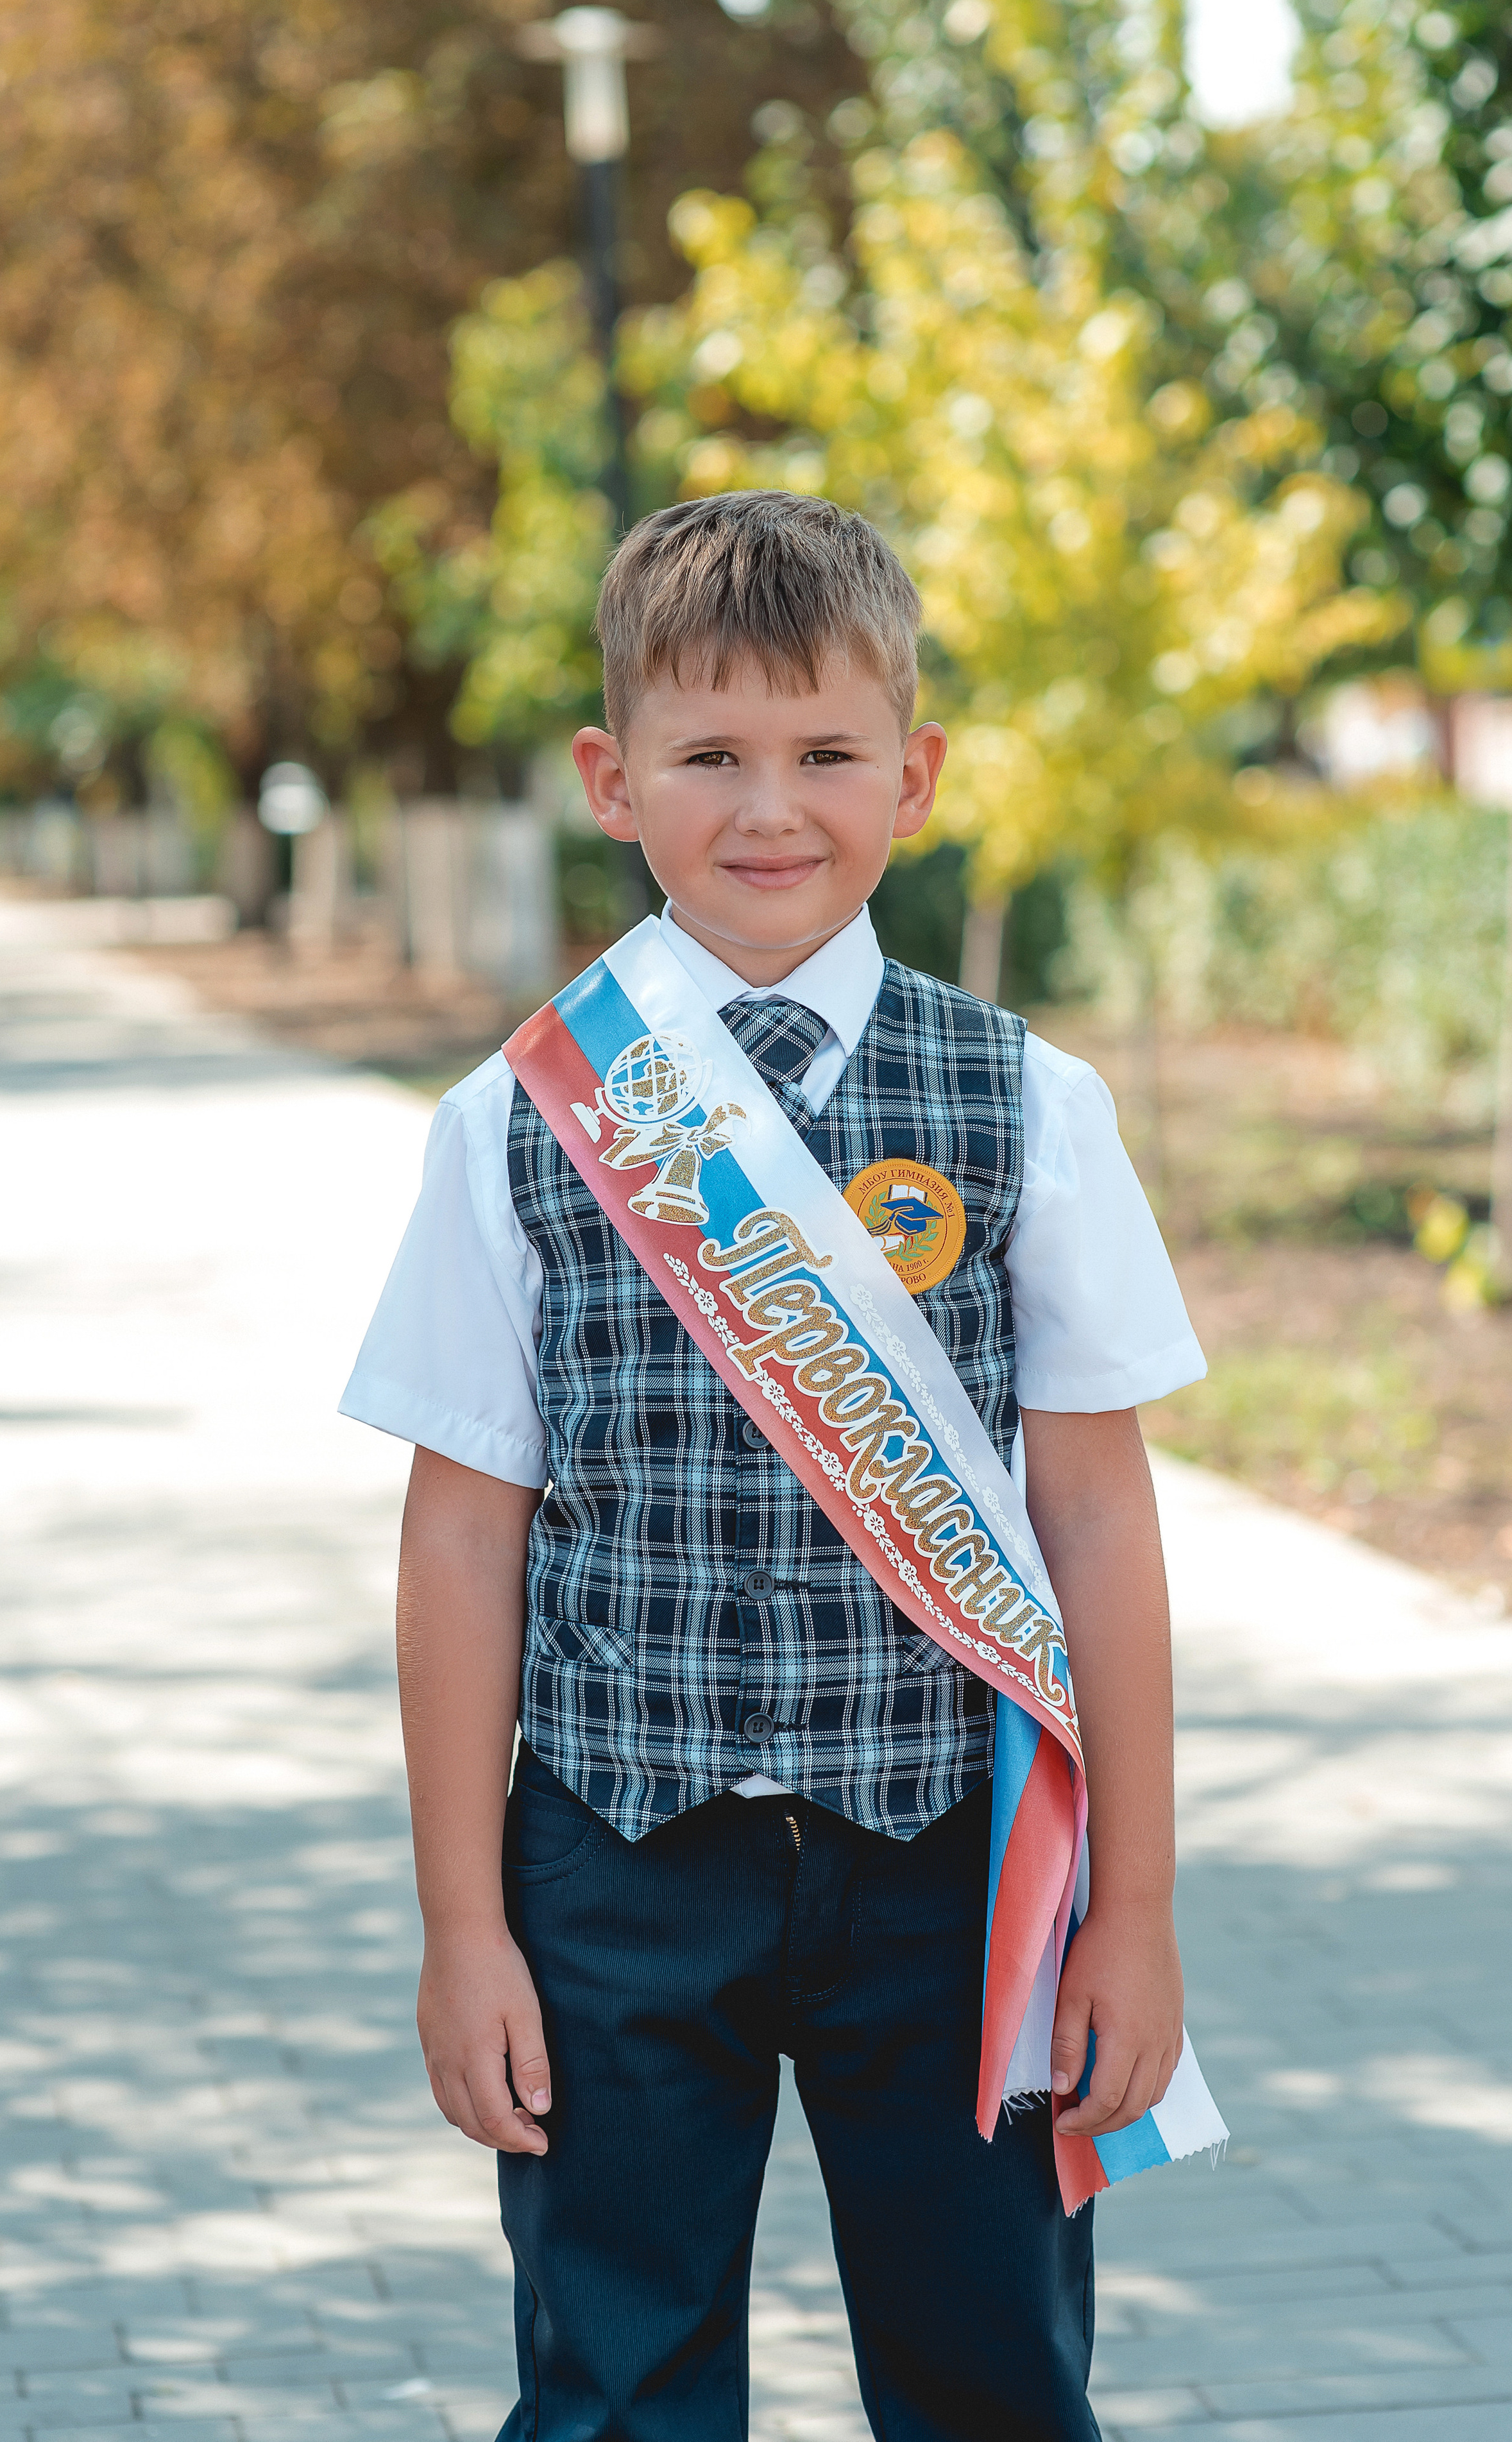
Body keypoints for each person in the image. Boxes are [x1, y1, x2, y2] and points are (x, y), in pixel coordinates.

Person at [340, 490, 1207, 2442]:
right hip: (615, 1866)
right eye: (709, 754)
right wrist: (462, 1920)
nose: (770, 808)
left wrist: (1133, 1905)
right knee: (613, 2387)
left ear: (917, 774)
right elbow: (465, 1530)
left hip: (957, 1873)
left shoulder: (1029, 1100)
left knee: (994, 2375)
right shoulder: (521, 1114)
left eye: (827, 754)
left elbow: (1098, 1511)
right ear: (608, 777)